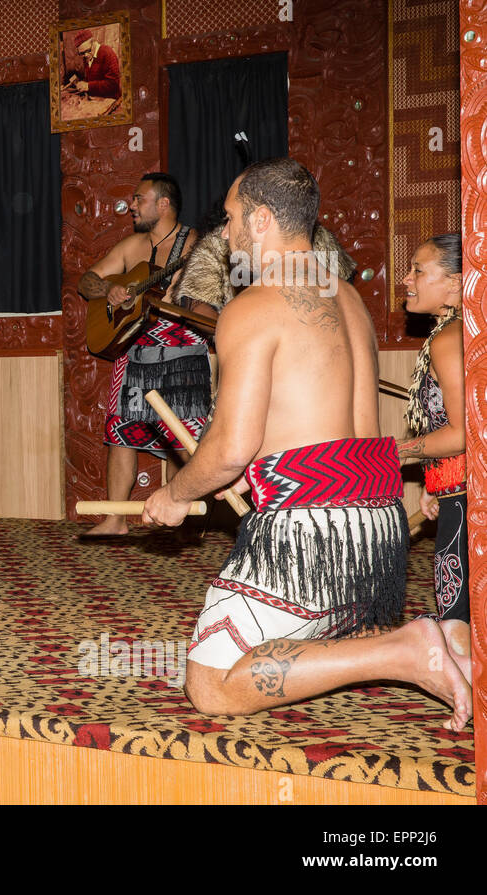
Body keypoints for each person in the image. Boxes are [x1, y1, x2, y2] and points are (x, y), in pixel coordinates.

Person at [142, 158, 470, 731]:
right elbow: (319, 427)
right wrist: (257, 470)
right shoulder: (347, 298)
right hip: (378, 529)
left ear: (263, 220)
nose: (226, 233)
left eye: (232, 217)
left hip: (310, 533)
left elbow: (231, 448)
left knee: (210, 683)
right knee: (295, 633)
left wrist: (173, 495)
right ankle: (416, 638)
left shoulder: (251, 307)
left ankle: (406, 650)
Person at [78, 173, 205, 538]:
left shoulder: (195, 246)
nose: (131, 205)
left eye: (139, 199)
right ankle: (115, 519)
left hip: (181, 345)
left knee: (181, 436)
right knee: (120, 432)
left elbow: (208, 296)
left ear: (163, 204)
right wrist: (111, 288)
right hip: (133, 344)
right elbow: (87, 280)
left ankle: (178, 519)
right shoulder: (132, 246)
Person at [397, 234, 470, 663]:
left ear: (456, 284)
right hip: (457, 488)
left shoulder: (449, 339)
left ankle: (466, 703)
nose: (406, 279)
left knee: (455, 614)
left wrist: (399, 452)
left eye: (418, 271)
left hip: (465, 496)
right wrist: (434, 483)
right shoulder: (456, 333)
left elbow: (463, 433)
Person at [67, 29, 121, 100]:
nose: (86, 55)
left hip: (110, 99)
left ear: (94, 42)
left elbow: (113, 84)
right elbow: (92, 78)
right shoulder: (87, 56)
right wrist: (83, 83)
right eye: (82, 53)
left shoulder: (107, 53)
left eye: (88, 50)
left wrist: (88, 86)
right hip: (95, 98)